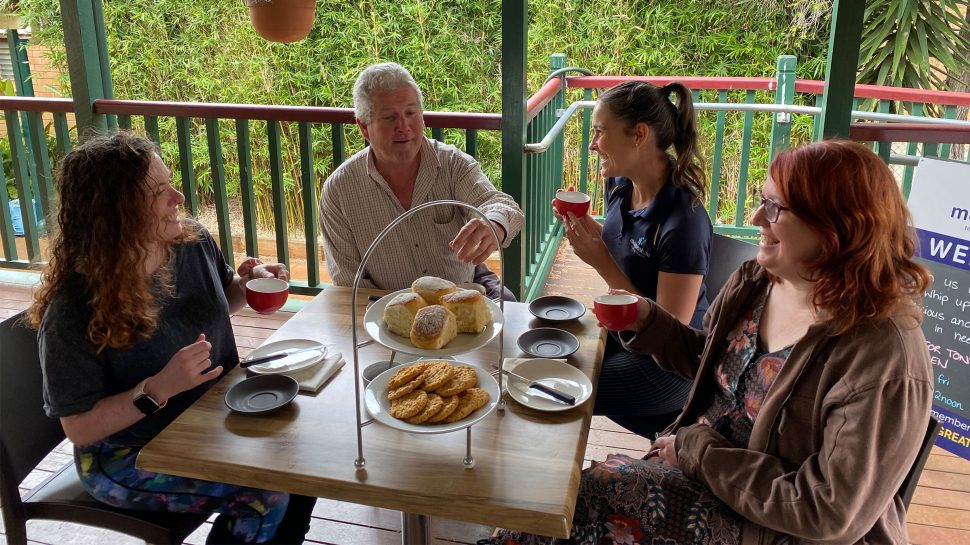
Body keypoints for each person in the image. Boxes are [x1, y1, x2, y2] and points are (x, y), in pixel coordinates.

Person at [488, 140, 934, 544]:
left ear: (835, 228)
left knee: (595, 496)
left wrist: (693, 449)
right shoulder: (759, 282)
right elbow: (711, 362)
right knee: (568, 503)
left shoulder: (882, 354)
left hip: (770, 529)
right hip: (698, 472)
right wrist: (649, 321)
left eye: (775, 208)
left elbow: (828, 509)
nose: (756, 218)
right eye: (762, 201)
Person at [26, 132, 316, 544]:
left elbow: (224, 297)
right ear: (118, 212)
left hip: (208, 418)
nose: (178, 197)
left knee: (310, 463)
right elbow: (80, 428)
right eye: (160, 192)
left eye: (170, 183)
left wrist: (247, 283)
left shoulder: (190, 241)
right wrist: (157, 389)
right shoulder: (74, 308)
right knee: (261, 494)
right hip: (126, 455)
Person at [556, 80, 712, 438]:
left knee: (559, 393)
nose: (592, 144)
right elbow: (621, 244)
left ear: (639, 134)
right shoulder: (621, 187)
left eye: (599, 132)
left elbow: (672, 331)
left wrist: (600, 262)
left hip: (669, 365)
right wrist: (584, 228)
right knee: (546, 361)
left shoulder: (683, 221)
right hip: (623, 330)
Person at [319, 62, 524, 300]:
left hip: (462, 289)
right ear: (364, 127)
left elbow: (503, 205)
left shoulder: (452, 164)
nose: (403, 127)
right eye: (389, 117)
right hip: (389, 304)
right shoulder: (340, 191)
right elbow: (348, 282)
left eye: (411, 113)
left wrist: (494, 225)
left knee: (509, 312)